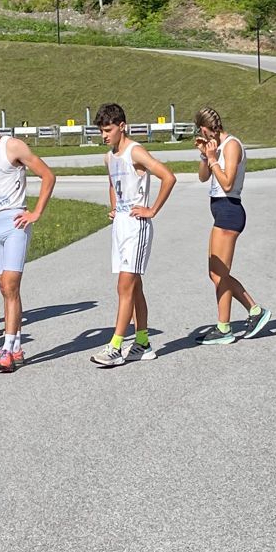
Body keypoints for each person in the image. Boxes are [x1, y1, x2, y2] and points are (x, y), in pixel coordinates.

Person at [0, 98, 58, 373]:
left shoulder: (13, 146)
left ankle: (8, 348)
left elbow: (48, 175)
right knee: (5, 288)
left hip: (16, 221)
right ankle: (13, 347)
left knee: (11, 285)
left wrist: (36, 212)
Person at [91, 103, 177, 367]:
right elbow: (112, 183)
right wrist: (115, 207)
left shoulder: (135, 151)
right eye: (101, 131)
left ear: (122, 126)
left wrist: (152, 209)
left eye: (108, 130)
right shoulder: (109, 157)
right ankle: (142, 343)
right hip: (120, 225)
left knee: (124, 286)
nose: (104, 135)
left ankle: (115, 346)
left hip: (137, 227)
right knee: (134, 286)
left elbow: (168, 177)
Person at [193, 106, 271, 345]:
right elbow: (203, 177)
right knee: (216, 273)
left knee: (220, 274)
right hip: (221, 210)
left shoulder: (232, 145)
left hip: (230, 210)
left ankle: (225, 327)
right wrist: (205, 156)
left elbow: (227, 183)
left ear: (205, 128)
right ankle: (254, 312)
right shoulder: (215, 147)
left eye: (201, 131)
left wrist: (213, 159)